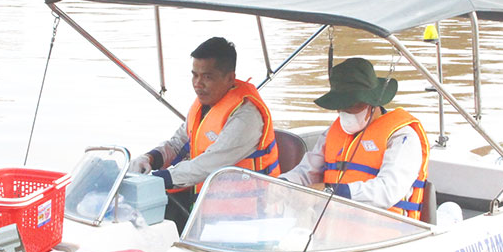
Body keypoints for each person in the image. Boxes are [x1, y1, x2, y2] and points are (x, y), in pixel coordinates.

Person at [130, 37, 280, 228]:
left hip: (249, 219)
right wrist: (150, 159)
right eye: (195, 75)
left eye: (207, 77)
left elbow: (209, 164)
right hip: (205, 208)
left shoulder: (246, 116)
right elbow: (178, 143)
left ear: (230, 78)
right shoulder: (203, 104)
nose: (198, 84)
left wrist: (159, 179)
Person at [281, 57, 430, 219]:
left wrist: (328, 190)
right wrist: (283, 184)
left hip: (385, 236)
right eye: (339, 106)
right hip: (329, 234)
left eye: (351, 105)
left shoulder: (402, 138)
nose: (343, 111)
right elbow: (306, 171)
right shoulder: (331, 133)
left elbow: (387, 191)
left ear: (372, 103)